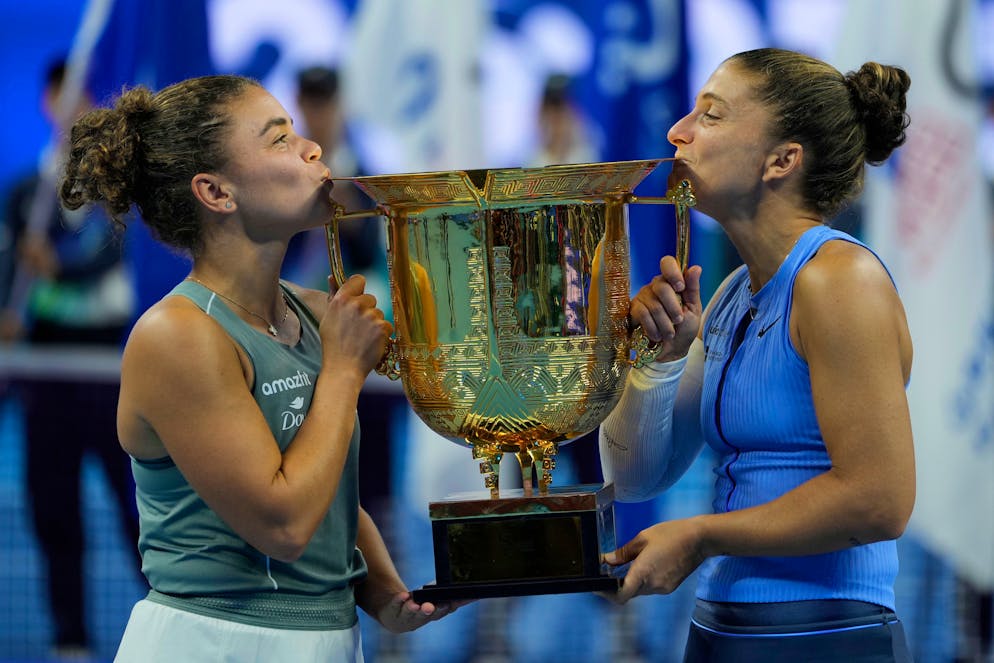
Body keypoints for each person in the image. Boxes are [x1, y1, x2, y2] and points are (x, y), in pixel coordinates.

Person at [58, 74, 457, 662]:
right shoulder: (177, 336)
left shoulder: (316, 313)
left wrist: (382, 594)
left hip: (329, 641)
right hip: (213, 645)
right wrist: (343, 371)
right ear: (216, 192)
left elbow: (328, 490)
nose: (312, 148)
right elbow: (284, 525)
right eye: (279, 139)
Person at [598, 48, 915, 661]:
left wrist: (702, 536)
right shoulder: (729, 296)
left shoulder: (842, 280)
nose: (678, 131)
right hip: (719, 633)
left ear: (782, 160)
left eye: (711, 115)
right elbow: (634, 481)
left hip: (828, 639)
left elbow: (879, 501)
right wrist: (659, 360)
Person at [0, 58, 140, 659]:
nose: (71, 107)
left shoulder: (119, 188)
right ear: (46, 103)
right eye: (60, 95)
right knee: (53, 508)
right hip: (47, 365)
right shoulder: (25, 192)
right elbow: (10, 265)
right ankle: (70, 642)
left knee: (136, 506)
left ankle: (171, 626)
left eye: (80, 94)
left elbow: (110, 252)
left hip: (107, 364)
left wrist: (57, 265)